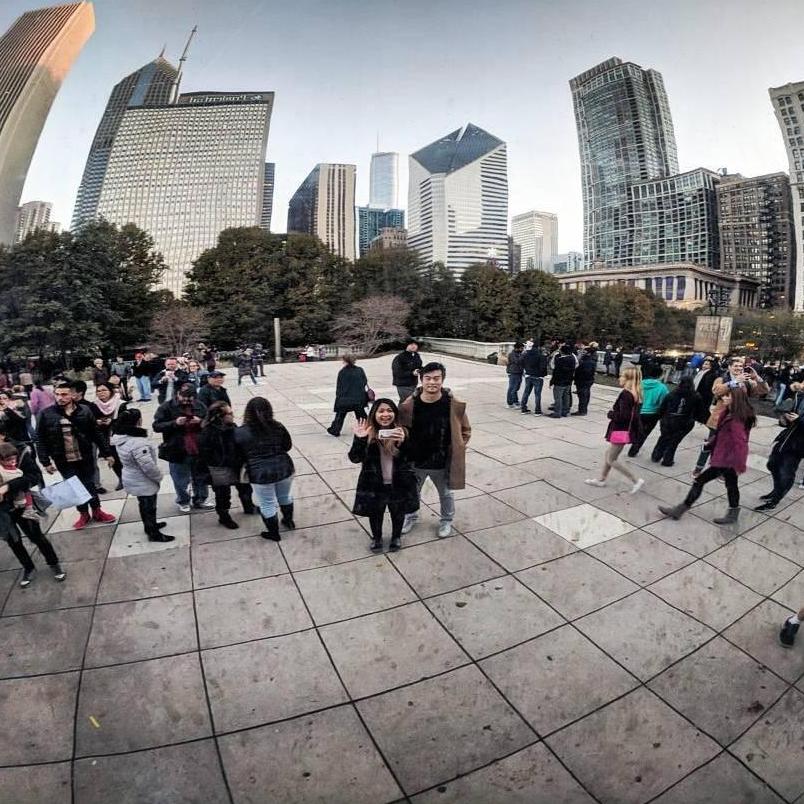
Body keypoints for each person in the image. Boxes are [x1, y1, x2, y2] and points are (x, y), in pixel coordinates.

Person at [659, 386, 755, 524]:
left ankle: (680, 509)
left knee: (700, 481)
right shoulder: (731, 413)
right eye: (724, 395)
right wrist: (710, 443)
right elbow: (721, 433)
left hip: (726, 459)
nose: (724, 398)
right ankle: (733, 513)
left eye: (728, 396)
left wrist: (740, 464)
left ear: (736, 399)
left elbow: (740, 442)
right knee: (731, 484)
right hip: (727, 457)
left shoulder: (735, 419)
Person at [398, 362, 471, 539]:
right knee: (412, 492)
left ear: (442, 380)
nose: (432, 382)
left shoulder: (452, 404)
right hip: (416, 460)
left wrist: (459, 446)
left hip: (442, 460)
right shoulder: (409, 404)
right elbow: (400, 429)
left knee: (446, 494)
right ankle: (411, 516)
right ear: (421, 380)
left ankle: (446, 520)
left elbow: (465, 429)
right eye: (428, 378)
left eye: (436, 378)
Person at [36, 383, 117, 529]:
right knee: (75, 487)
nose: (60, 397)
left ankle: (97, 511)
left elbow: (95, 432)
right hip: (63, 458)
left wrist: (107, 453)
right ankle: (83, 514)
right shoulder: (46, 413)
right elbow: (40, 438)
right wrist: (45, 461)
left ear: (73, 395)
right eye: (58, 394)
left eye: (64, 394)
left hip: (84, 455)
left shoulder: (84, 410)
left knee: (89, 484)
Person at [349, 399, 418, 551]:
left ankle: (396, 537)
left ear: (395, 413)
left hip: (398, 483)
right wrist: (360, 439)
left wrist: (404, 442)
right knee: (375, 513)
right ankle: (377, 538)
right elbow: (354, 458)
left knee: (398, 512)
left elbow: (414, 457)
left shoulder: (403, 431)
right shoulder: (367, 432)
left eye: (389, 410)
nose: (385, 414)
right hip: (374, 483)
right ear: (374, 414)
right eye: (381, 411)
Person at [0, 441, 65, 586]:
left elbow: (34, 477)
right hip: (3, 511)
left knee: (36, 536)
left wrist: (8, 487)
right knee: (13, 541)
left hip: (24, 505)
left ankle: (53, 563)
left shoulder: (20, 452)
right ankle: (28, 568)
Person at [692, 356, 768, 479]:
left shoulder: (746, 381)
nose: (738, 368)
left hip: (736, 420)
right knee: (710, 444)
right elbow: (716, 391)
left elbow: (764, 391)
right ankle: (698, 468)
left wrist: (757, 377)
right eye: (735, 366)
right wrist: (735, 381)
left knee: (727, 447)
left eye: (740, 366)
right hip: (719, 419)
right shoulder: (722, 378)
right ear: (729, 367)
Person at [234, 397, 295, 541]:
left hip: (259, 473)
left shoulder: (241, 432)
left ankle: (274, 533)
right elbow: (287, 446)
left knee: (267, 503)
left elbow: (238, 455)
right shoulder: (278, 426)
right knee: (284, 496)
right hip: (284, 468)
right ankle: (288, 521)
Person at [111, 409, 174, 543]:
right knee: (149, 506)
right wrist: (159, 476)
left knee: (144, 504)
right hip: (142, 480)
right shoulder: (138, 443)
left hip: (132, 476)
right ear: (137, 421)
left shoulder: (120, 438)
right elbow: (147, 466)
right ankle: (153, 533)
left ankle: (150, 525)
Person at [152, 383, 212, 513]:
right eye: (183, 396)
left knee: (201, 476)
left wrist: (201, 422)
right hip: (177, 448)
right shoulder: (166, 407)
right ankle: (183, 500)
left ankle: (201, 499)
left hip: (198, 447)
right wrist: (174, 423)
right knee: (180, 478)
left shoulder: (199, 405)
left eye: (190, 397)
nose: (186, 400)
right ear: (177, 394)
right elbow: (156, 426)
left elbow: (210, 422)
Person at [585, 367, 645, 493]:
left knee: (611, 459)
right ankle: (601, 480)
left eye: (622, 376)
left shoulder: (626, 394)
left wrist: (611, 414)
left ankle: (635, 480)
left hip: (620, 430)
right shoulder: (636, 393)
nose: (619, 378)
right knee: (609, 455)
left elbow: (624, 416)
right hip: (625, 430)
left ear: (628, 379)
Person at [198, 401, 256, 529]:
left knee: (245, 488)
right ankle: (224, 517)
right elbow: (204, 453)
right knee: (223, 495)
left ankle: (249, 507)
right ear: (220, 416)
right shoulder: (208, 432)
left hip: (236, 464)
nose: (233, 415)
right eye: (230, 413)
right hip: (219, 468)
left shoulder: (232, 426)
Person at [754, 381, 804, 512]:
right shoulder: (799, 396)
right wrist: (785, 419)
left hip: (799, 444)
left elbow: (799, 419)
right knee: (772, 464)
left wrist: (799, 420)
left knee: (787, 473)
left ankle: (775, 500)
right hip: (786, 438)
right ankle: (776, 490)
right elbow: (785, 413)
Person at [650, 376, 706, 467]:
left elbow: (663, 407)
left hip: (669, 419)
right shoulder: (696, 396)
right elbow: (700, 411)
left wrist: (660, 417)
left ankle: (656, 455)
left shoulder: (672, 394)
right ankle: (667, 460)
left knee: (664, 438)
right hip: (685, 421)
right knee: (674, 441)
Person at [627, 362, 669, 457]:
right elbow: (663, 403)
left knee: (636, 429)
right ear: (659, 375)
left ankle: (633, 442)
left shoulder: (639, 384)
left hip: (638, 411)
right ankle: (635, 449)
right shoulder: (662, 388)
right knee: (645, 433)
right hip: (652, 413)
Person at [89, 383, 126, 491]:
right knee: (112, 457)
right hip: (103, 435)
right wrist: (97, 422)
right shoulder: (93, 405)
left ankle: (128, 477)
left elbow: (126, 419)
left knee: (122, 457)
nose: (101, 393)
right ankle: (121, 478)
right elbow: (90, 419)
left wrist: (113, 421)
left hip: (119, 434)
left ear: (111, 391)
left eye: (104, 390)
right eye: (98, 391)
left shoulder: (120, 404)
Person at [327, 355, 369, 436]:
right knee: (361, 414)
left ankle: (335, 430)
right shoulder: (360, 370)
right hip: (358, 397)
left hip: (345, 398)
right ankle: (367, 428)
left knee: (340, 415)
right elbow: (364, 381)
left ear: (345, 361)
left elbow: (340, 386)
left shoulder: (342, 372)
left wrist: (339, 397)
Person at [549, 343, 576, 418]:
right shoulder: (572, 359)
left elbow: (556, 371)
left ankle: (557, 412)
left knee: (558, 398)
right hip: (568, 381)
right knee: (566, 397)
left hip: (560, 381)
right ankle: (565, 411)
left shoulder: (560, 360)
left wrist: (552, 381)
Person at [520, 344, 548, 415]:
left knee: (526, 392)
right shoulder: (541, 356)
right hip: (537, 377)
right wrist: (543, 374)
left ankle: (523, 408)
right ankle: (537, 411)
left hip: (528, 375)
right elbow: (543, 367)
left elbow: (521, 362)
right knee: (537, 394)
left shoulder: (526, 354)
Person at [572, 345, 597, 416]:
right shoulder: (590, 360)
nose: (582, 352)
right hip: (587, 380)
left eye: (584, 351)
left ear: (588, 353)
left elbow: (585, 372)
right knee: (585, 395)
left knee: (583, 396)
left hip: (583, 381)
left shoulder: (586, 361)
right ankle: (583, 409)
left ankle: (582, 410)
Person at [505, 342, 525, 408]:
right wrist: (523, 355)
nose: (522, 349)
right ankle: (512, 402)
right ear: (517, 348)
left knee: (515, 387)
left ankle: (513, 401)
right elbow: (517, 361)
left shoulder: (518, 353)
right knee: (513, 388)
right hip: (514, 372)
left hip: (518, 372)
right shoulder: (512, 354)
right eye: (521, 348)